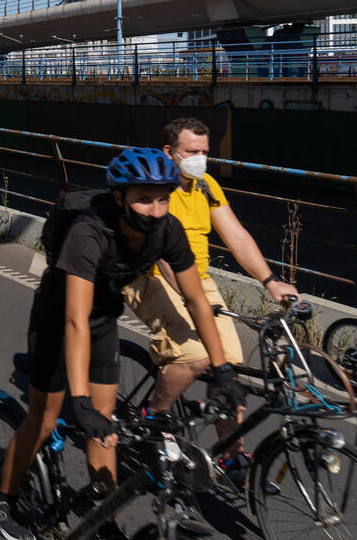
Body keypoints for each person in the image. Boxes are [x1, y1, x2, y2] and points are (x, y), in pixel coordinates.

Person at [0, 148, 244, 540]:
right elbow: (74, 321)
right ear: (121, 197)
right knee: (43, 419)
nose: (155, 209)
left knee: (104, 429)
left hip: (105, 316)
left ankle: (105, 525)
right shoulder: (89, 232)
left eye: (163, 198)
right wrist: (80, 402)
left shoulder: (167, 229)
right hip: (57, 319)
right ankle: (1, 500)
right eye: (144, 198)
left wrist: (222, 367)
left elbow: (196, 300)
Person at [123, 117, 298, 482]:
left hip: (197, 277)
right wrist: (189, 299)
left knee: (227, 368)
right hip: (152, 277)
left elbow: (235, 234)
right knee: (198, 355)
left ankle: (232, 457)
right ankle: (153, 417)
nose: (200, 159)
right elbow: (159, 253)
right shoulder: (156, 188)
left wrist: (270, 281)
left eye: (205, 152)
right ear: (169, 152)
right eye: (192, 152)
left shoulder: (205, 184)